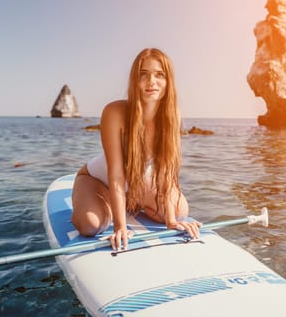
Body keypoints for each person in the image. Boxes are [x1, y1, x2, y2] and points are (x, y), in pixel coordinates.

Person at [71, 48, 200, 251]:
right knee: (90, 225)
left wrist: (171, 221)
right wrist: (120, 227)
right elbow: (115, 175)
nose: (151, 81)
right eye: (143, 74)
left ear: (168, 82)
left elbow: (166, 170)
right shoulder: (115, 112)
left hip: (136, 182)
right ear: (135, 80)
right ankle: (107, 204)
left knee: (180, 210)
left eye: (159, 75)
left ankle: (131, 203)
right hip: (99, 180)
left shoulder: (171, 117)